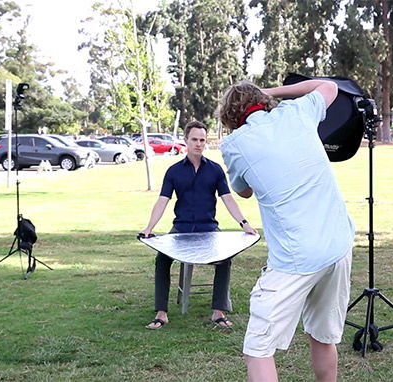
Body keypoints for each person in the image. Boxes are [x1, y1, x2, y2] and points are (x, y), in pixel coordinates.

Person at [217, 80, 354, 382]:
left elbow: (243, 191)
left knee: (258, 347)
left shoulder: (233, 145)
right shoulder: (297, 112)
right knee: (323, 336)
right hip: (338, 245)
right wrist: (274, 92)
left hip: (296, 259)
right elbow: (329, 87)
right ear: (263, 100)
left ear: (229, 117)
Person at [139, 121, 258, 330]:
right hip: (181, 230)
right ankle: (161, 313)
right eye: (194, 139)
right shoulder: (173, 171)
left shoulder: (215, 170)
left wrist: (244, 224)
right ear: (186, 141)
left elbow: (228, 199)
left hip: (209, 229)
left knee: (225, 259)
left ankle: (218, 312)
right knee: (161, 260)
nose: (198, 144)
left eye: (202, 140)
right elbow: (162, 201)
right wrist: (149, 228)